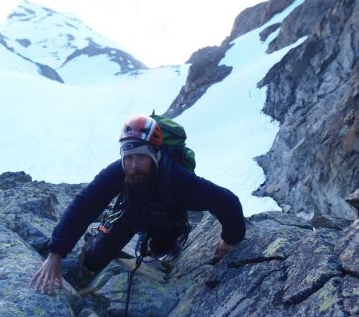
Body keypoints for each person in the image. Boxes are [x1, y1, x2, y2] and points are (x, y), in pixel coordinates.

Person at [31, 115, 246, 294]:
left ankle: (159, 242)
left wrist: (230, 238)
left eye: (142, 157)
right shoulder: (117, 171)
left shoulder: (176, 177)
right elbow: (85, 204)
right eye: (129, 157)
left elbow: (227, 201)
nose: (134, 166)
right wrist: (55, 254)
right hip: (130, 215)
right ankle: (96, 240)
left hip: (167, 222)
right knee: (94, 262)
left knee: (162, 251)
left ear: (155, 156)